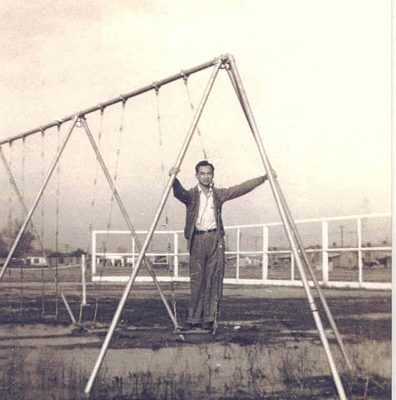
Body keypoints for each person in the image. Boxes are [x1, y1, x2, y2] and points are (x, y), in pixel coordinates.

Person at [169, 160, 270, 333]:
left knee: (213, 280)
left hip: (216, 239)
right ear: (197, 175)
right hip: (197, 240)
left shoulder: (218, 195)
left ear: (212, 175)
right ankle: (194, 319)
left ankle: (209, 319)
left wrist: (264, 178)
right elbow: (178, 193)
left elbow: (240, 188)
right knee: (197, 281)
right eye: (202, 173)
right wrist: (173, 178)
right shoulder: (191, 195)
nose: (206, 176)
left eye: (209, 173)